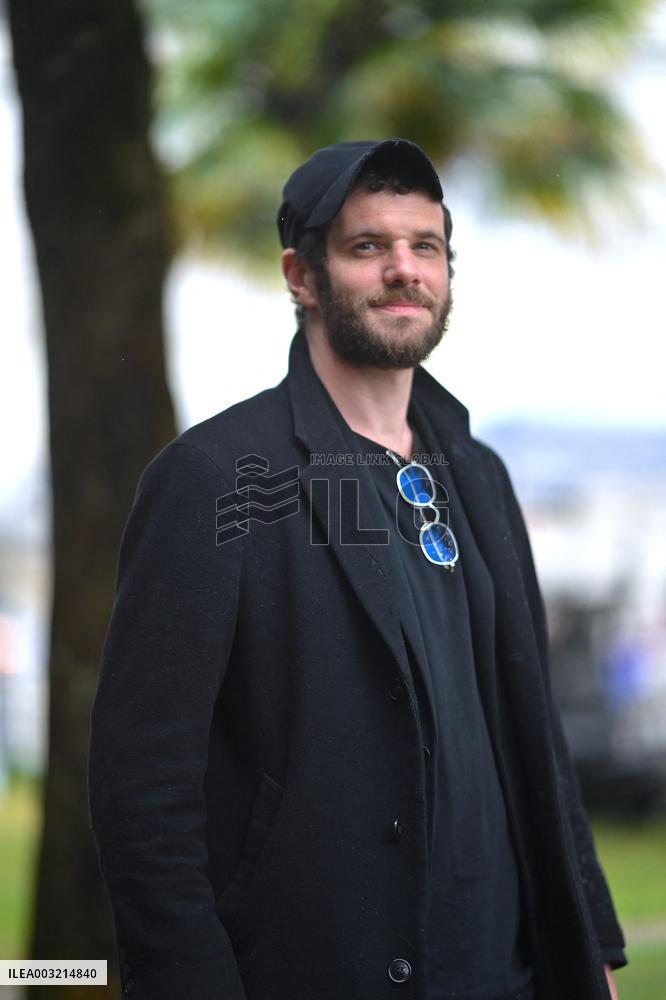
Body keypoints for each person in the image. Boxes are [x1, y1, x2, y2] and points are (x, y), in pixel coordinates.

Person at [89, 139, 626, 1000]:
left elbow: (534, 731)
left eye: (426, 246)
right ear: (301, 276)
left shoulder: (478, 471)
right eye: (367, 247)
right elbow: (141, 792)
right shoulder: (218, 476)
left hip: (513, 976)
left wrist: (592, 937)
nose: (404, 270)